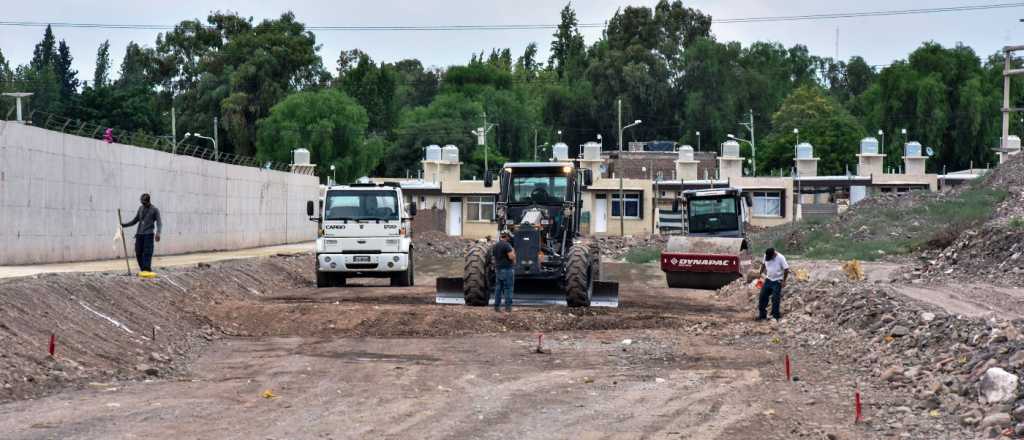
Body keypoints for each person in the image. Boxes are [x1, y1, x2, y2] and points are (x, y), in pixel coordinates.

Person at [121, 193, 162, 272]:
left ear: (148, 201)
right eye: (142, 202)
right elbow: (135, 220)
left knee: (147, 252)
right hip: (139, 234)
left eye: (144, 202)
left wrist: (158, 232)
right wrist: (124, 225)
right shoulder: (140, 208)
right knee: (138, 252)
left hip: (148, 234)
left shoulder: (154, 210)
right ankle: (143, 269)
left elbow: (159, 222)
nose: (143, 204)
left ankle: (147, 269)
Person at [757, 247, 789, 321]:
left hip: (777, 281)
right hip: (768, 279)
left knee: (775, 298)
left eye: (770, 257)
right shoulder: (766, 255)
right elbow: (763, 264)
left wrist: (784, 281)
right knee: (762, 296)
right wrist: (760, 273)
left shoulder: (781, 258)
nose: (768, 258)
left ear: (774, 255)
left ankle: (775, 316)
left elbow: (786, 269)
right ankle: (762, 315)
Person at [491, 231, 517, 312]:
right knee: (508, 288)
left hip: (498, 269)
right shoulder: (507, 245)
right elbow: (511, 257)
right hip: (507, 270)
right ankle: (508, 308)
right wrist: (514, 254)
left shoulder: (495, 246)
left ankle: (496, 307)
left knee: (498, 288)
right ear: (507, 237)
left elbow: (494, 258)